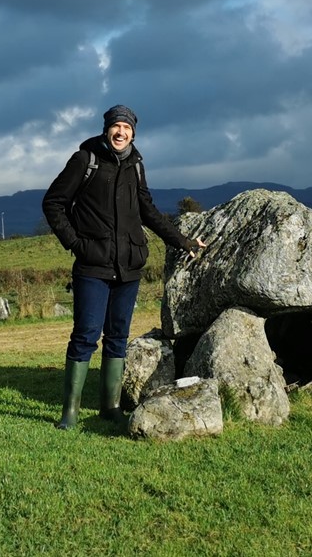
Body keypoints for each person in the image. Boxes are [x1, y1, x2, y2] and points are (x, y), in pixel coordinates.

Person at [42, 105, 205, 429]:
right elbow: (53, 202)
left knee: (117, 337)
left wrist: (184, 241)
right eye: (116, 126)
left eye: (126, 128)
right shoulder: (84, 160)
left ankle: (110, 407)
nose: (121, 132)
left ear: (133, 132)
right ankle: (70, 413)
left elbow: (149, 211)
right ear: (106, 129)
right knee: (85, 336)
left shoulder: (136, 165)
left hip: (129, 267)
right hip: (92, 266)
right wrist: (76, 244)